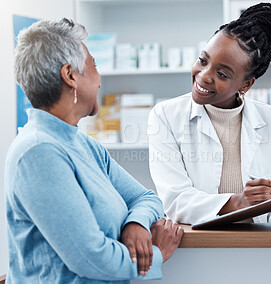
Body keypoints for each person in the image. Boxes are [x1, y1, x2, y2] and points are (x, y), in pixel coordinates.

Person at [5, 18, 183, 283]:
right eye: (94, 66)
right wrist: (156, 254)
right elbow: (91, 258)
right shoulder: (38, 152)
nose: (99, 80)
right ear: (70, 75)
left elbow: (147, 198)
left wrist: (135, 224)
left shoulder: (83, 144)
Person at [148, 3, 271, 225]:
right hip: (197, 249)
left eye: (222, 74)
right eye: (203, 60)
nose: (204, 76)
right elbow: (175, 201)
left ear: (246, 84)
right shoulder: (165, 116)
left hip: (260, 248)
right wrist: (238, 202)